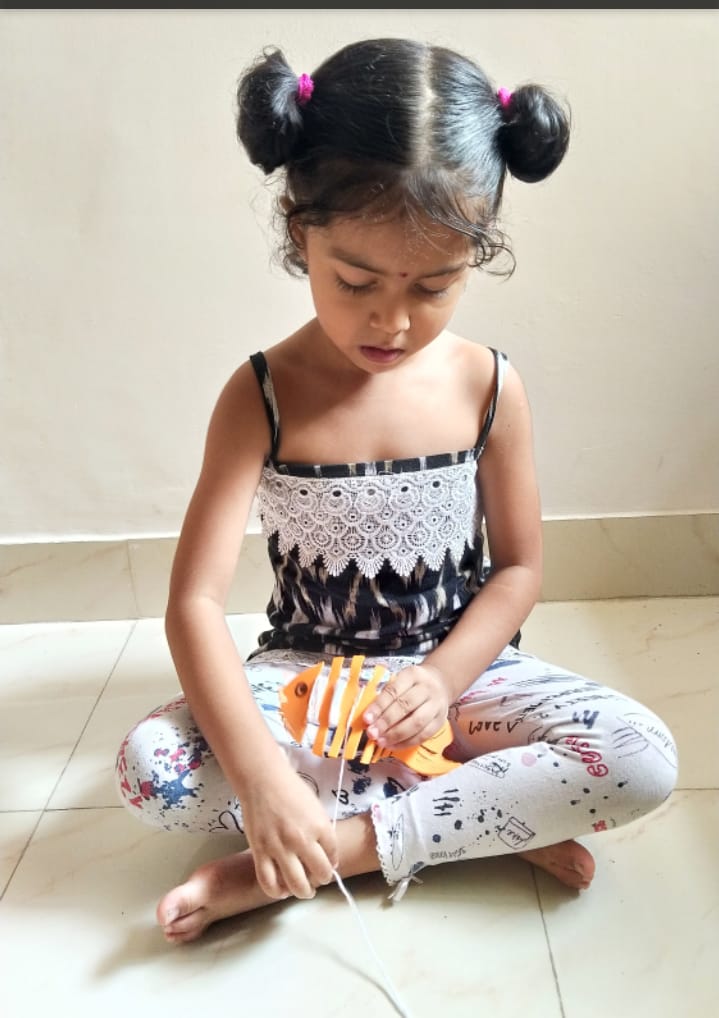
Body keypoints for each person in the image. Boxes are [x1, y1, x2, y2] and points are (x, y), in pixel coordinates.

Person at [115, 37, 678, 945]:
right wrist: (260, 777)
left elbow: (519, 570)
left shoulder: (489, 386)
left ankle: (330, 852)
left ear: (475, 255)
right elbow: (194, 604)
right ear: (299, 234)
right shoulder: (260, 394)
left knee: (642, 757)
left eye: (434, 285)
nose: (392, 320)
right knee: (154, 771)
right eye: (355, 281)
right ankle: (476, 816)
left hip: (458, 686)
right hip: (304, 691)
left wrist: (439, 680)